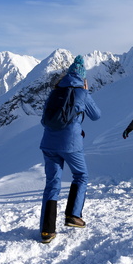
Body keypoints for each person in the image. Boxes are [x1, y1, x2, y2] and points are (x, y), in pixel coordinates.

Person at [39, 55, 102, 243]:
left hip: (48, 143)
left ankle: (46, 231)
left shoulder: (54, 92)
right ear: (82, 78)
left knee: (52, 183)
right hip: (71, 144)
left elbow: (45, 117)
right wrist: (86, 93)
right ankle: (73, 215)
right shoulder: (82, 93)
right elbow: (96, 115)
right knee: (81, 175)